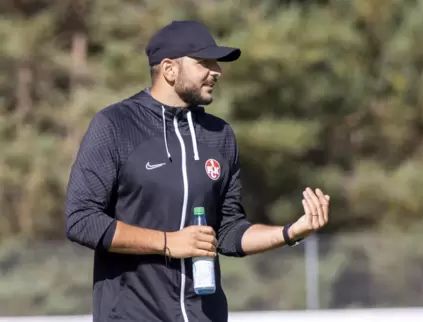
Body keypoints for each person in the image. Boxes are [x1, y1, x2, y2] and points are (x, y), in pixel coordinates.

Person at [64, 20, 330, 322]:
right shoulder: (115, 125)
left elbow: (228, 232)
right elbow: (81, 220)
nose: (216, 71)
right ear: (169, 69)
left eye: (216, 63)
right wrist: (167, 242)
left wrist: (291, 232)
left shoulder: (220, 135)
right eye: (205, 62)